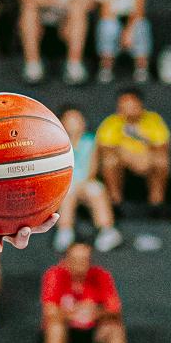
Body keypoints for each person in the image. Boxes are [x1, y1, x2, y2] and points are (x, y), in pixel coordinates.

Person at [42, 239, 126, 343]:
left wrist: (94, 312)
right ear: (67, 259)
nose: (80, 264)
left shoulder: (101, 275)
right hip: (68, 333)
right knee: (55, 328)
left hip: (93, 333)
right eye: (76, 259)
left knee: (115, 330)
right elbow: (50, 311)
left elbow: (115, 311)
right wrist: (73, 314)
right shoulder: (55, 275)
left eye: (84, 259)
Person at [52, 105, 119, 253]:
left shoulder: (90, 142)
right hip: (67, 185)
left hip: (85, 183)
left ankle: (107, 231)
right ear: (62, 123)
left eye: (77, 120)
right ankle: (65, 231)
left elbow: (92, 170)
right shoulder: (56, 145)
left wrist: (82, 185)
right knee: (66, 193)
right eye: (70, 120)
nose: (74, 124)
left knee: (96, 189)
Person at [95, 90, 171, 214]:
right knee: (109, 160)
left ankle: (156, 205)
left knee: (161, 159)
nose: (129, 109)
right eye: (125, 105)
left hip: (147, 160)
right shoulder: (111, 122)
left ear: (140, 105)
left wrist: (144, 156)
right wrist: (128, 157)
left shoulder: (153, 119)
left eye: (132, 105)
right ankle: (115, 204)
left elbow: (162, 145)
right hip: (122, 162)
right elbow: (106, 147)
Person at [92, 0, 150, 84]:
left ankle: (141, 70)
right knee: (108, 26)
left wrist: (128, 32)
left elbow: (139, 13)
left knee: (141, 25)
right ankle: (106, 70)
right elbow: (105, 15)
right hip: (112, 30)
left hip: (131, 27)